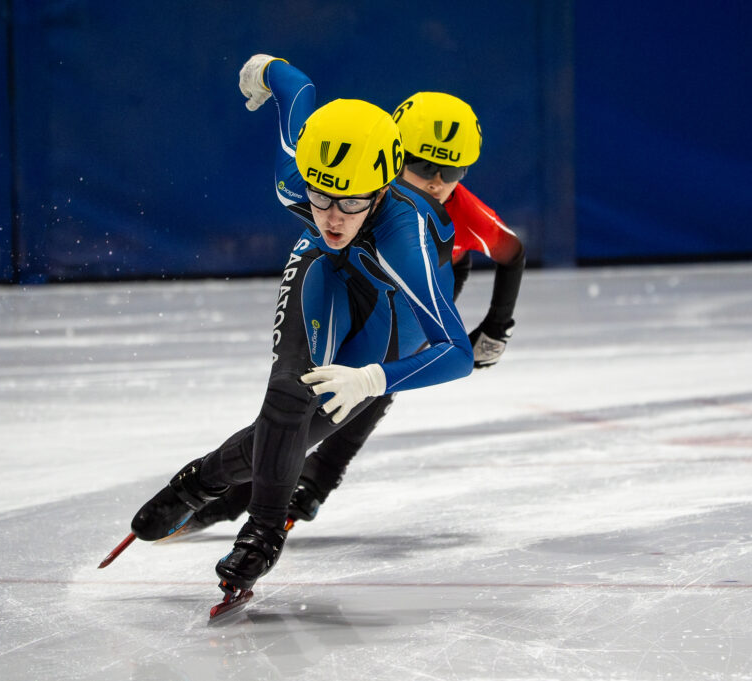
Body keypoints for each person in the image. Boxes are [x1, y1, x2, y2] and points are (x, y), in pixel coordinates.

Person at [128, 55, 473, 597]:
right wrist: (264, 69)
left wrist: (374, 380)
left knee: (313, 426)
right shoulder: (296, 181)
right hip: (322, 270)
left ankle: (203, 479)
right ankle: (263, 534)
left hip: (384, 308)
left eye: (353, 202)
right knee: (291, 392)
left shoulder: (403, 242)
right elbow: (296, 87)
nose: (333, 216)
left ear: (383, 190)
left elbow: (457, 352)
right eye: (322, 196)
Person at [183, 91, 525, 533]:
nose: (437, 182)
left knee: (371, 390)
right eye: (422, 166)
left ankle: (315, 481)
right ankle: (246, 488)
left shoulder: (465, 213)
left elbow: (513, 253)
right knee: (308, 384)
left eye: (452, 171)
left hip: (421, 289)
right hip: (351, 278)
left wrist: (497, 326)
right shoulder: (359, 193)